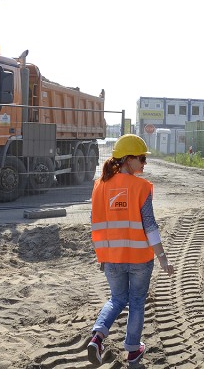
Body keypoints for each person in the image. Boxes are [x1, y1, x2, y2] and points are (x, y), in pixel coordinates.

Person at [87, 134, 174, 366]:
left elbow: (95, 222)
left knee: (117, 299)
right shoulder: (141, 187)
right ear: (128, 159)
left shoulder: (100, 186)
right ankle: (133, 350)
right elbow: (150, 225)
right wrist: (163, 258)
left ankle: (97, 337)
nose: (145, 163)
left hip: (112, 258)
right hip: (140, 259)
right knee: (136, 301)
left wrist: (101, 255)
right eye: (142, 158)